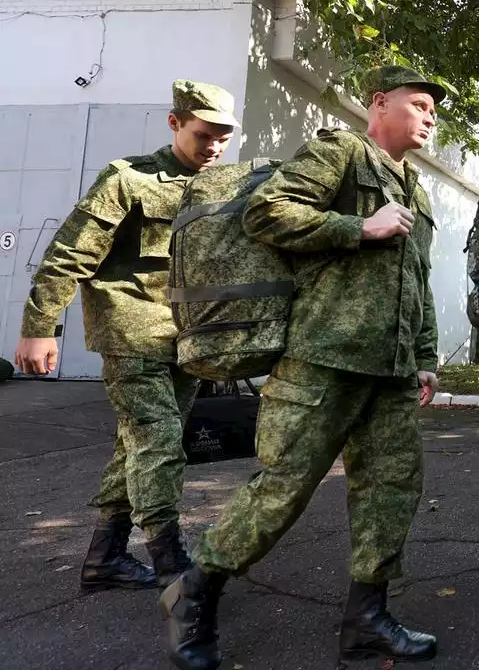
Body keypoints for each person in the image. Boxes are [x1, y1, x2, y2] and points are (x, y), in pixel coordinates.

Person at [159, 65, 445, 670]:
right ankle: (195, 591)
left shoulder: (413, 189)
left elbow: (414, 281)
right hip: (322, 360)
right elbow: (266, 212)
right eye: (418, 105)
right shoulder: (340, 152)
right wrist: (357, 226)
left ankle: (367, 618)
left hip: (390, 373)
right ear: (380, 104)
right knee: (282, 491)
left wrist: (423, 359)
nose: (429, 117)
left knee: (390, 493)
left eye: (433, 110)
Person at [13, 80, 238, 592]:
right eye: (205, 135)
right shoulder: (127, 179)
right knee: (159, 442)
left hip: (188, 336)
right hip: (131, 330)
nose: (215, 147)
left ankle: (105, 557)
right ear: (175, 122)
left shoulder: (217, 186)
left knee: (137, 444)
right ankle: (169, 559)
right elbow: (69, 254)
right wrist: (39, 329)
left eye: (224, 137)